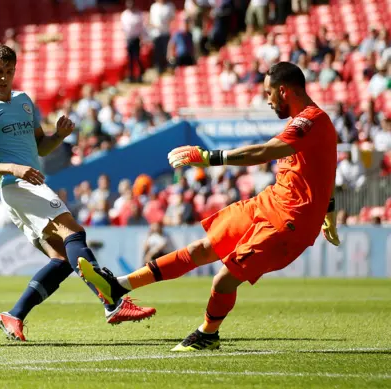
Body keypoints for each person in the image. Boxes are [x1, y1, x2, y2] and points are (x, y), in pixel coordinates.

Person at [79, 62, 340, 352]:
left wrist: (209, 156)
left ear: (283, 90)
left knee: (224, 279)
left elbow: (265, 152)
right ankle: (118, 286)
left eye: (269, 93)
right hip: (267, 204)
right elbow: (323, 169)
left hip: (290, 221)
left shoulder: (311, 120)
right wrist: (329, 212)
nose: (267, 100)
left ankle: (208, 334)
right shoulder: (303, 123)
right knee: (199, 250)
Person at [0, 44, 155, 342]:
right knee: (74, 233)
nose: (3, 78)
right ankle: (113, 302)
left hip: (31, 183)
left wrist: (60, 136)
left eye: (9, 72)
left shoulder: (25, 102)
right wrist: (12, 168)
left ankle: (14, 315)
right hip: (18, 185)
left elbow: (40, 146)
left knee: (63, 259)